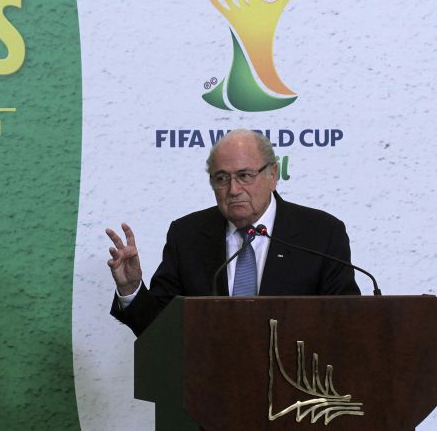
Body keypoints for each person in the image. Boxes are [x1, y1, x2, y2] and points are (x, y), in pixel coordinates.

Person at [106, 129, 360, 336]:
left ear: (273, 175)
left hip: (296, 388)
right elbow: (158, 329)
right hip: (208, 386)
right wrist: (131, 288)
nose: (234, 189)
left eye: (245, 175)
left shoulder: (321, 233)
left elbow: (347, 322)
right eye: (221, 178)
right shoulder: (187, 235)